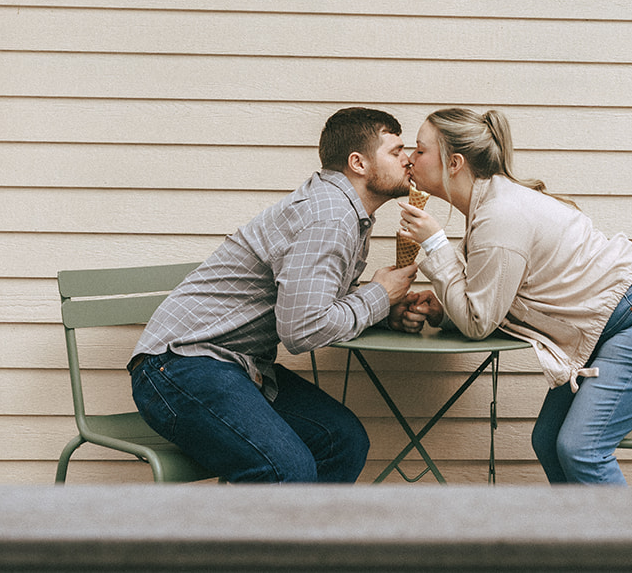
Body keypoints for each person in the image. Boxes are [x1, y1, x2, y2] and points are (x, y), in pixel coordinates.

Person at [397, 107, 632, 485]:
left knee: (583, 450)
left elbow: (479, 323)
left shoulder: (500, 214)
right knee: (548, 440)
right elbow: (495, 300)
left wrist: (434, 243)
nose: (410, 159)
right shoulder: (490, 206)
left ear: (454, 162)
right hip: (629, 309)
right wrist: (443, 309)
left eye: (420, 150)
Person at [128, 107, 420, 483]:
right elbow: (302, 330)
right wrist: (379, 296)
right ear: (358, 163)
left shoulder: (343, 211)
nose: (408, 160)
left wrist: (385, 308)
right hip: (180, 366)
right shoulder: (330, 216)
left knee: (341, 440)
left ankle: (300, 541)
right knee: (285, 470)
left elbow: (320, 303)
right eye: (396, 151)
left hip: (235, 366)